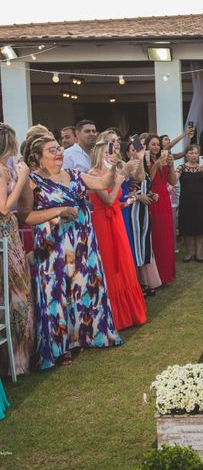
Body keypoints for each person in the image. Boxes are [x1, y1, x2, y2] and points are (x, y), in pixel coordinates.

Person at [19, 135, 123, 369]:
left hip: (82, 244)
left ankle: (84, 336)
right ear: (38, 157)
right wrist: (58, 211)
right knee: (57, 294)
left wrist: (113, 165)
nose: (58, 152)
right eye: (51, 150)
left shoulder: (75, 175)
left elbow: (104, 183)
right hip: (52, 248)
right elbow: (25, 215)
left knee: (84, 288)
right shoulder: (32, 181)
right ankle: (60, 347)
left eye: (58, 148)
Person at [88, 138, 146, 331]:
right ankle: (114, 315)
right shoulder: (93, 174)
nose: (110, 155)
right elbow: (107, 200)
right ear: (98, 154)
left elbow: (115, 201)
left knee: (124, 262)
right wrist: (120, 175)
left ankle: (131, 313)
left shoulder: (110, 171)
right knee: (111, 263)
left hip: (117, 219)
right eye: (106, 152)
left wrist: (125, 202)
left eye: (112, 152)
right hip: (103, 222)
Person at [0, 123, 35, 376]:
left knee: (18, 292)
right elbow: (3, 207)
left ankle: (21, 355)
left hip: (11, 232)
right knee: (17, 293)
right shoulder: (1, 170)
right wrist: (22, 177)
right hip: (5, 231)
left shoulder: (5, 168)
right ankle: (16, 359)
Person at [122, 140, 162, 297]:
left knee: (145, 245)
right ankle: (139, 282)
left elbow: (146, 186)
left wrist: (152, 195)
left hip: (144, 212)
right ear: (127, 152)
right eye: (132, 149)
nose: (136, 152)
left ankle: (145, 280)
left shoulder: (143, 168)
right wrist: (139, 197)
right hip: (132, 211)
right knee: (136, 246)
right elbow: (123, 192)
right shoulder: (125, 168)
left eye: (138, 149)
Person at [147, 134, 176, 285]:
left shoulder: (164, 160)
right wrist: (157, 164)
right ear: (147, 146)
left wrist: (170, 165)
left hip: (164, 199)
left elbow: (173, 181)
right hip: (153, 198)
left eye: (158, 144)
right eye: (153, 144)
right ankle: (157, 277)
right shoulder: (145, 161)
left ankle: (167, 274)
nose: (156, 147)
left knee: (166, 234)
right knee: (156, 235)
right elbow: (147, 182)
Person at [176, 144, 203, 262]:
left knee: (200, 227)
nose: (193, 155)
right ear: (186, 155)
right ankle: (189, 253)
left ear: (198, 155)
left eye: (196, 153)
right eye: (191, 153)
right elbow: (174, 179)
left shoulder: (202, 167)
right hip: (186, 201)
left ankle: (198, 253)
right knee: (187, 228)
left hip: (201, 201)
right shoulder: (181, 167)